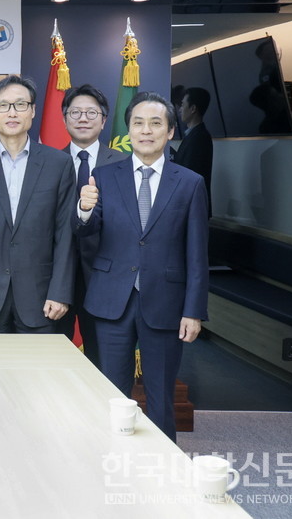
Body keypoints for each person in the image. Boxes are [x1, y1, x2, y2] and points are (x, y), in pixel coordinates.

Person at [78, 91, 208, 441]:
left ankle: (163, 472)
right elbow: (87, 234)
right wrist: (85, 209)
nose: (146, 131)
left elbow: (197, 253)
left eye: (155, 123)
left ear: (170, 132)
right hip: (111, 301)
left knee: (161, 396)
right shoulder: (103, 177)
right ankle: (111, 461)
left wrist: (193, 311)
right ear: (128, 131)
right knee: (111, 393)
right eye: (138, 123)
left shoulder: (190, 183)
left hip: (166, 302)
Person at [0, 75, 75, 333]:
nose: (12, 112)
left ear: (32, 111)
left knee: (36, 372)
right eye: (3, 105)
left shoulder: (58, 164)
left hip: (39, 296)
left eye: (20, 105)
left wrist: (60, 291)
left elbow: (65, 233)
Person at [58, 84, 125, 365]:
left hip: (104, 277)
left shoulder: (122, 163)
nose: (83, 118)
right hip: (57, 277)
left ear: (104, 119)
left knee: (102, 359)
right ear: (64, 118)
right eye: (75, 112)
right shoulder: (48, 161)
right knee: (56, 356)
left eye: (90, 112)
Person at [172, 86, 213, 216]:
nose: (179, 109)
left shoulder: (199, 137)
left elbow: (189, 174)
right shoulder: (192, 135)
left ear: (193, 108)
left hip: (192, 209)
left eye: (183, 104)